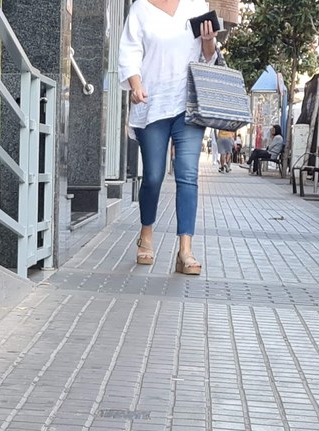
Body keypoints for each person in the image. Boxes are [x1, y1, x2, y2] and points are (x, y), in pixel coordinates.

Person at [119, 0, 218, 276]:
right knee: (153, 176)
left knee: (188, 175)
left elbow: (208, 57)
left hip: (188, 106)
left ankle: (185, 250)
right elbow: (129, 52)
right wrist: (136, 85)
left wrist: (209, 40)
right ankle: (146, 233)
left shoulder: (196, 5)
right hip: (151, 103)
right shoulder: (140, 8)